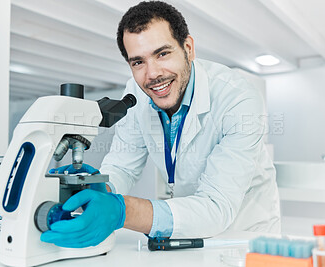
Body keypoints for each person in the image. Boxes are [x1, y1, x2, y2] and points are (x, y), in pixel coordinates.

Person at [40, 1, 280, 248]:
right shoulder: (137, 92)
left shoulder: (238, 99)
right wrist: (103, 188)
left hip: (243, 233)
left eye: (162, 53)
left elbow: (217, 205)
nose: (152, 74)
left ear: (188, 48)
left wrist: (123, 211)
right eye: (138, 62)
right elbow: (124, 166)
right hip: (186, 224)